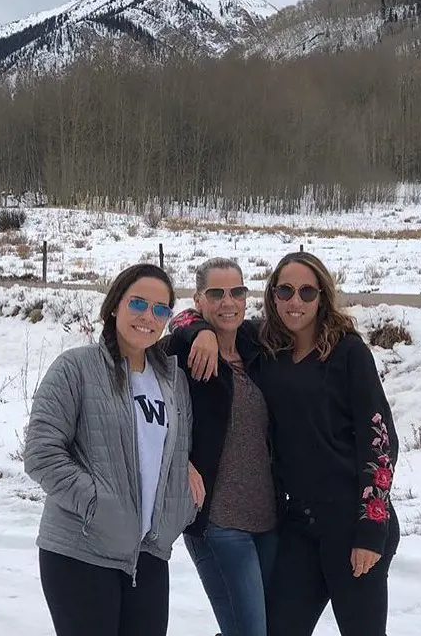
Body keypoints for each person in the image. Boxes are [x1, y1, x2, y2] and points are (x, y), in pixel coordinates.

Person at [172, 251, 400, 636]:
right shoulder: (264, 344)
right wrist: (202, 332)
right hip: (300, 525)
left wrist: (371, 531)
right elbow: (185, 318)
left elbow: (380, 442)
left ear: (322, 296)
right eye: (286, 291)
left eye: (307, 292)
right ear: (273, 296)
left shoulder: (348, 352)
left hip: (351, 521)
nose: (296, 301)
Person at [23, 263, 204, 636]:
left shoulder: (173, 382)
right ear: (115, 306)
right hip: (81, 550)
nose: (147, 316)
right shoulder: (76, 368)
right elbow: (42, 453)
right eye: (138, 303)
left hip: (148, 556)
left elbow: (174, 451)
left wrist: (181, 495)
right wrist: (98, 506)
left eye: (160, 309)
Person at [166, 257, 281, 636]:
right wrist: (178, 460)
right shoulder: (179, 354)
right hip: (216, 521)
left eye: (236, 292)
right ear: (198, 300)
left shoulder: (257, 346)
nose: (227, 302)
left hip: (267, 518)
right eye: (215, 293)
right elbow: (147, 415)